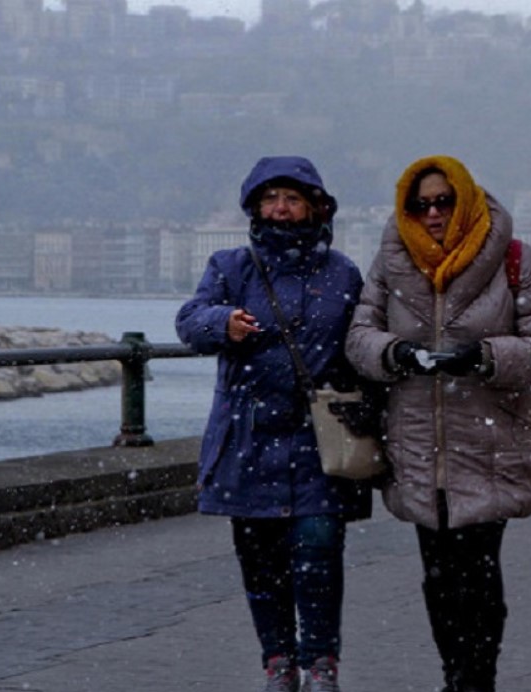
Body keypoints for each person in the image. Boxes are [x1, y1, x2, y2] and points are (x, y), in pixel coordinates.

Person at [344, 155, 531, 692]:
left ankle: (474, 680)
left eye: (444, 201)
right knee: (438, 578)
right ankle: (456, 676)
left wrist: (485, 356)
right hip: (419, 448)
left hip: (488, 444)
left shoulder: (516, 260)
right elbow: (359, 336)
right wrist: (397, 353)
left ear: (464, 200)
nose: (433, 214)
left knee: (477, 574)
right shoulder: (391, 263)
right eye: (420, 205)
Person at [175, 156, 371, 692]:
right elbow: (190, 321)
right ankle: (279, 661)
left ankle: (321, 662)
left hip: (319, 440)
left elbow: (362, 341)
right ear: (255, 208)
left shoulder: (343, 273)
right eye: (270, 199)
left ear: (314, 206)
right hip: (248, 437)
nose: (281, 209)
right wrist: (224, 323)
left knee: (319, 551)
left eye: (292, 198)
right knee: (260, 561)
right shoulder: (230, 267)